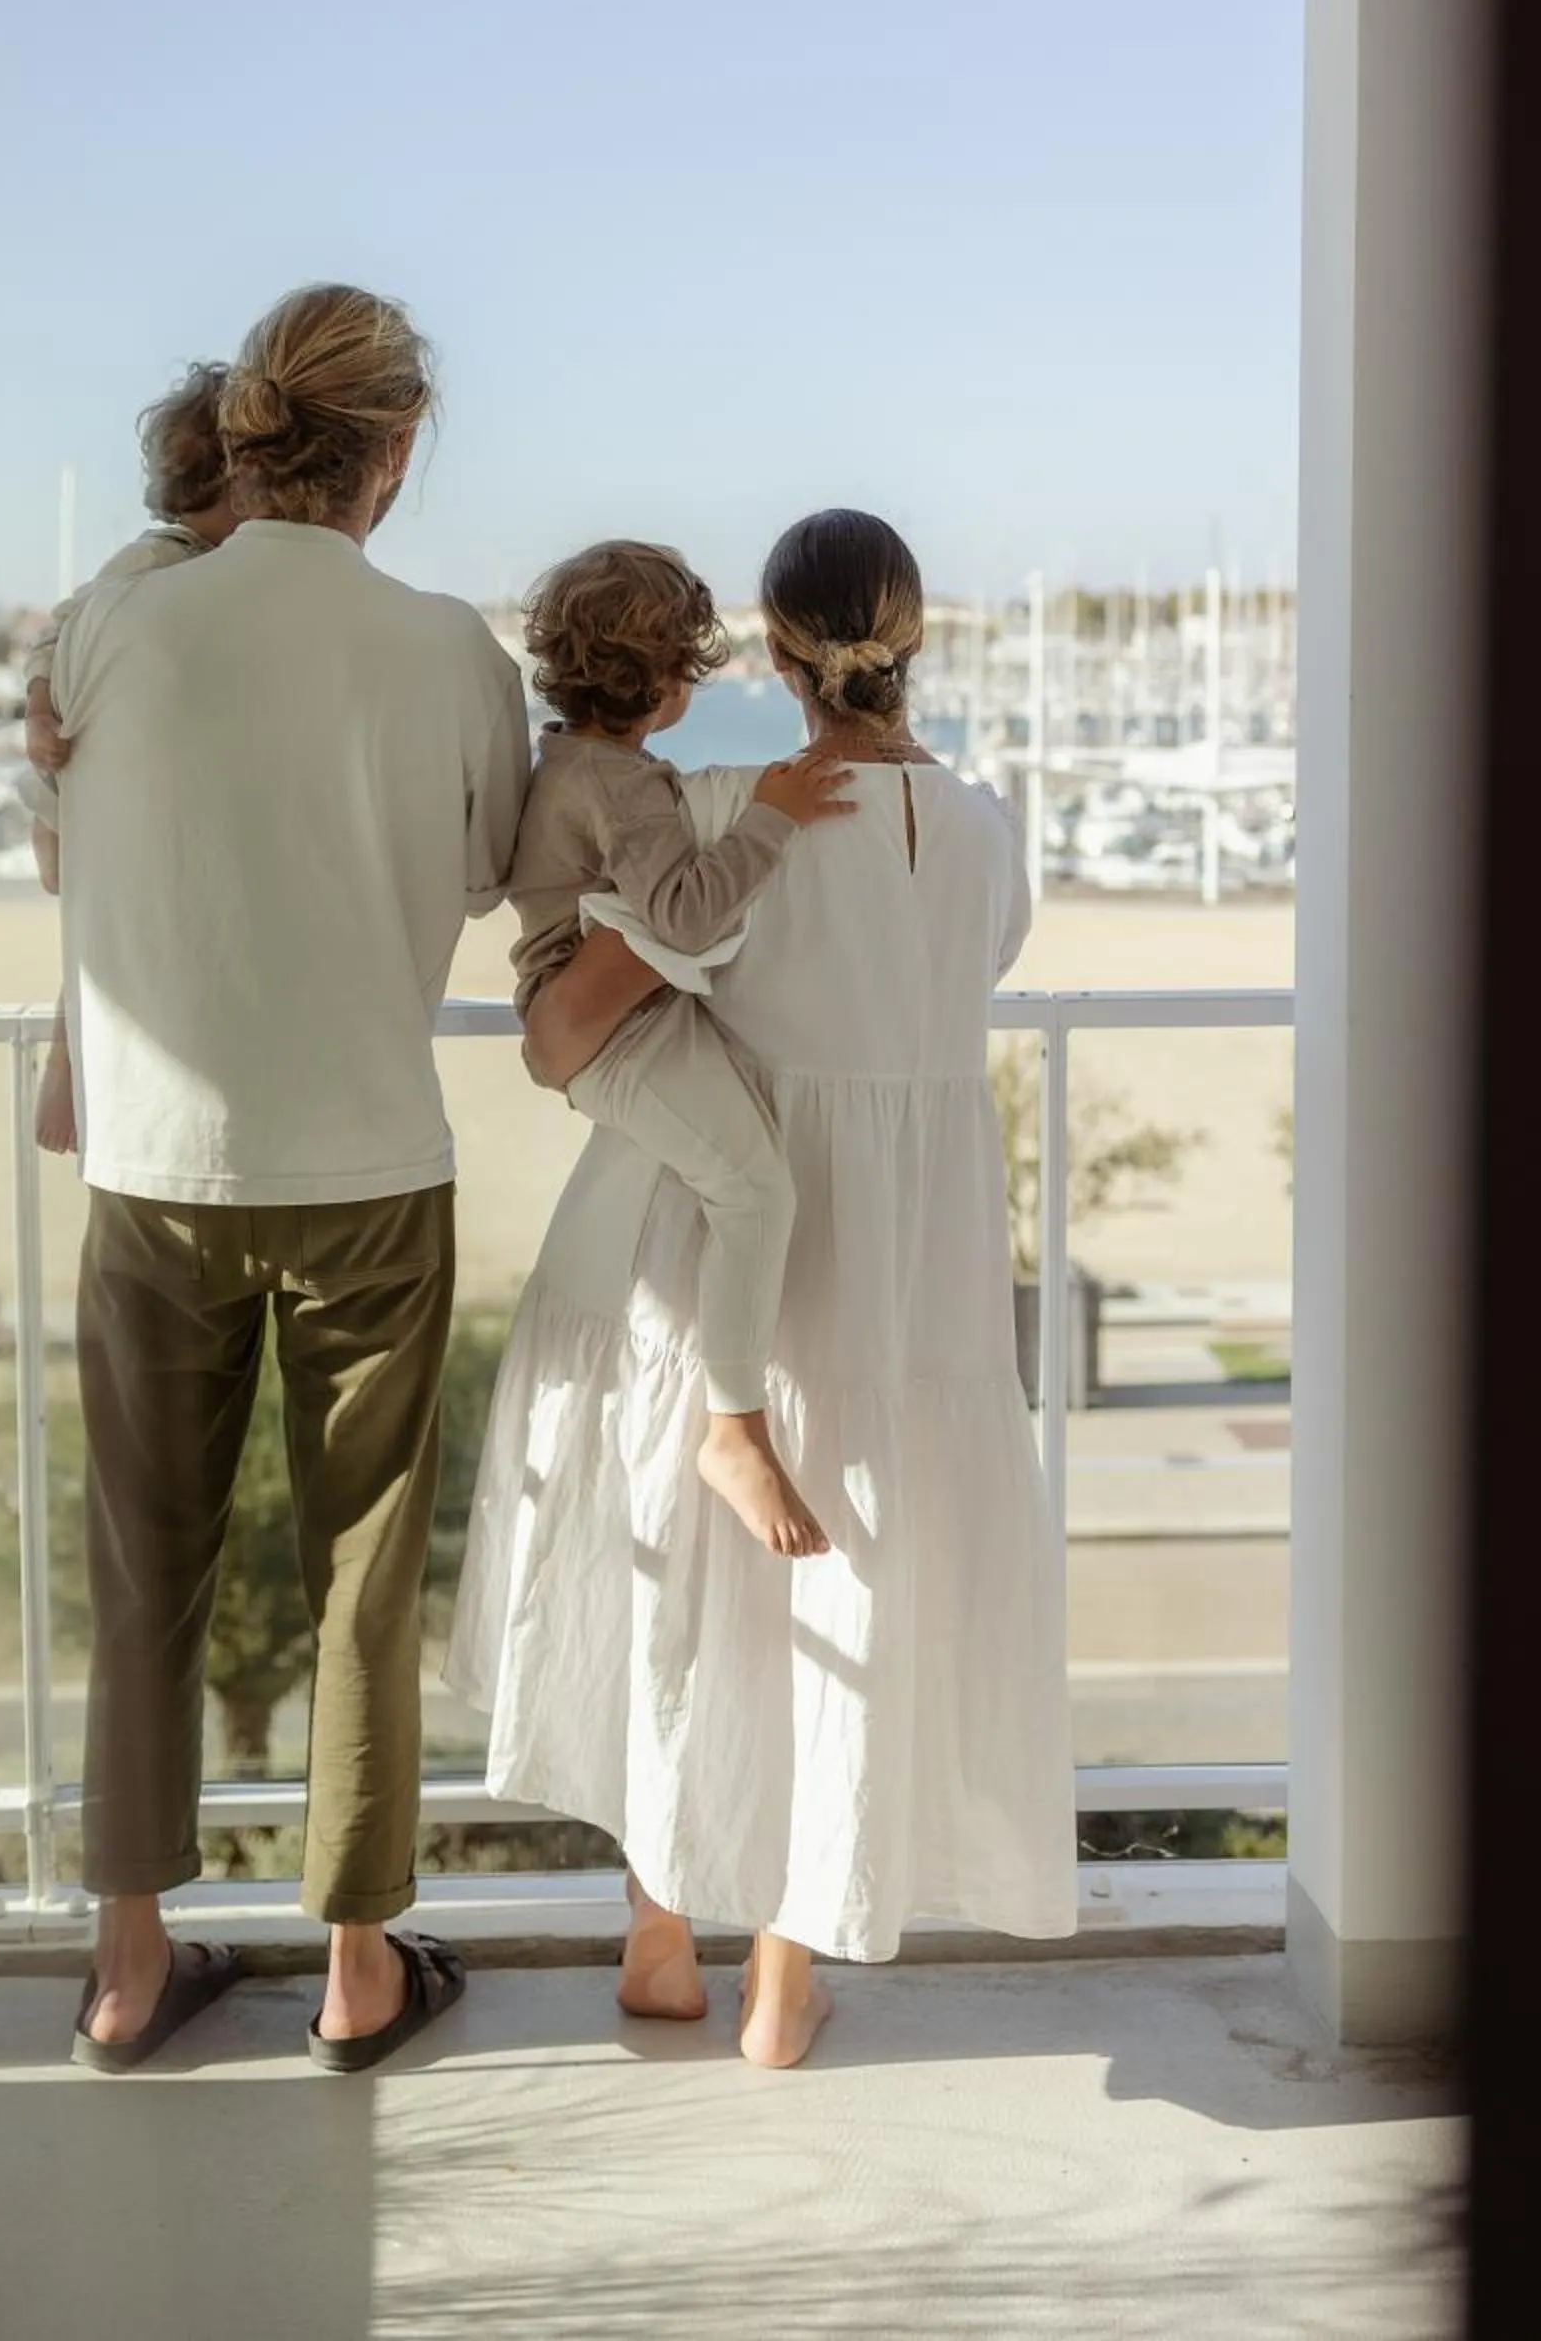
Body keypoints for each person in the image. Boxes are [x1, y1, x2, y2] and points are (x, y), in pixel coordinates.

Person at [449, 508, 1078, 2068]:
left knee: (685, 1587)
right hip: (910, 1264)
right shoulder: (988, 831)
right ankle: (786, 1977)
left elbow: (576, 1019)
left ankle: (660, 1936)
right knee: (846, 1580)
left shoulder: (733, 807)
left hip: (710, 1235)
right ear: (911, 641)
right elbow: (954, 976)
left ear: (779, 659)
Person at [50, 284, 531, 2074]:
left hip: (155, 1165)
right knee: (362, 1581)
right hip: (367, 1167)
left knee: (143, 1570)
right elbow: (489, 868)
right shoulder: (450, 651)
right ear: (395, 454)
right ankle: (356, 1971)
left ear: (250, 436)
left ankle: (126, 1973)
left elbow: (65, 793)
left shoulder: (120, 618)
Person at [508, 540, 853, 1556]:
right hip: (615, 1034)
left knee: (746, 1170)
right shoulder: (617, 785)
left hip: (615, 1020)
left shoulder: (573, 762)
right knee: (756, 1193)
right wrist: (773, 818)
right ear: (660, 682)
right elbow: (688, 914)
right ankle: (733, 1427)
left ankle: (735, 1412)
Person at [21, 361, 238, 1154]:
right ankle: (64, 1070)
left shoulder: (185, 565)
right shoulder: (157, 566)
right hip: (67, 773)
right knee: (93, 921)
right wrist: (38, 706)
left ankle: (70, 1069)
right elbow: (58, 630)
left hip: (77, 770)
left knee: (99, 919)